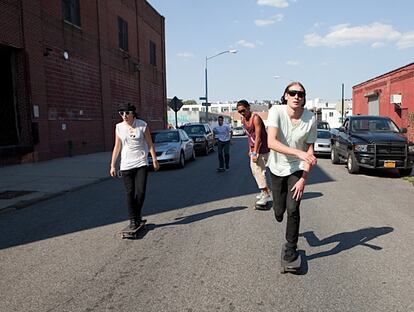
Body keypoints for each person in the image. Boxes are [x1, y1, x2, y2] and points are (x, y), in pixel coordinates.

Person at [267, 82, 317, 262]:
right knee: (279, 210)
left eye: (300, 94)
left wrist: (303, 178)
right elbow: (271, 142)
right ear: (285, 95)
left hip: (296, 167)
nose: (297, 96)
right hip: (277, 166)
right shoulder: (276, 111)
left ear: (304, 98)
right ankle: (277, 209)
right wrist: (299, 152)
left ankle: (290, 247)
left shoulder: (311, 118)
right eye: (292, 93)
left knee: (293, 208)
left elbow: (310, 151)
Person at [110, 103, 160, 230]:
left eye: (127, 113)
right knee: (130, 192)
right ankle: (133, 219)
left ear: (133, 113)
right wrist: (112, 165)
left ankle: (136, 214)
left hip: (141, 162)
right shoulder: (119, 127)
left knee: (141, 191)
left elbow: (149, 143)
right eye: (121, 113)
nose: (124, 116)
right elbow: (117, 146)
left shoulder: (142, 125)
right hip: (126, 164)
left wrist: (154, 159)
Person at [236, 100, 272, 206]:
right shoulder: (243, 119)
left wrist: (255, 152)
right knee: (255, 171)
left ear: (248, 108)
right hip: (255, 149)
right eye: (239, 111)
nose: (242, 113)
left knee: (258, 171)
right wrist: (250, 149)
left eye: (243, 110)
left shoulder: (255, 118)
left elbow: (258, 137)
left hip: (263, 148)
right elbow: (249, 136)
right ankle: (263, 191)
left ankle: (266, 194)